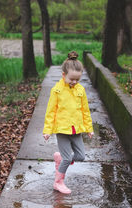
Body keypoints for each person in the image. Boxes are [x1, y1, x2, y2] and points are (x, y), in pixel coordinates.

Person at [43, 51, 94, 194]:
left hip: (76, 129)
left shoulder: (80, 90)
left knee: (81, 156)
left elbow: (85, 110)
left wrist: (89, 128)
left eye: (77, 79)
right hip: (62, 130)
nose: (74, 82)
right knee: (66, 159)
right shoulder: (57, 90)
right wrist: (47, 130)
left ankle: (59, 158)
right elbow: (50, 112)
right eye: (72, 79)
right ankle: (58, 182)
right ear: (64, 75)